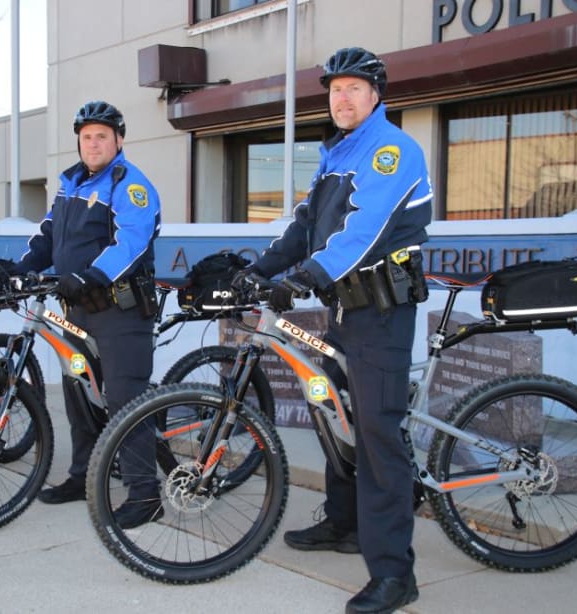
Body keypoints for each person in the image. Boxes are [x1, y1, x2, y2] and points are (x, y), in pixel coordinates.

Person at [235, 47, 432, 613]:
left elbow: (361, 233)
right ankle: (345, 524)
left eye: (353, 89)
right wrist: (258, 270)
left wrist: (301, 280)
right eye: (334, 89)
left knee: (377, 437)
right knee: (334, 415)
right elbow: (304, 227)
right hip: (346, 310)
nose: (341, 98)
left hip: (382, 315)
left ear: (376, 95)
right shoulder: (336, 154)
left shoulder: (391, 149)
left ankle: (395, 575)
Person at [0, 100, 163, 529]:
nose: (94, 143)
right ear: (78, 143)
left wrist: (90, 275)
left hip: (120, 309)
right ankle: (84, 474)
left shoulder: (130, 184)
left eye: (102, 136)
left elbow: (132, 242)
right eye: (87, 137)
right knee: (79, 392)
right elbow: (47, 237)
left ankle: (144, 494)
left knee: (124, 399)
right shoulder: (70, 186)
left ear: (119, 140)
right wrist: (21, 268)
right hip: (77, 307)